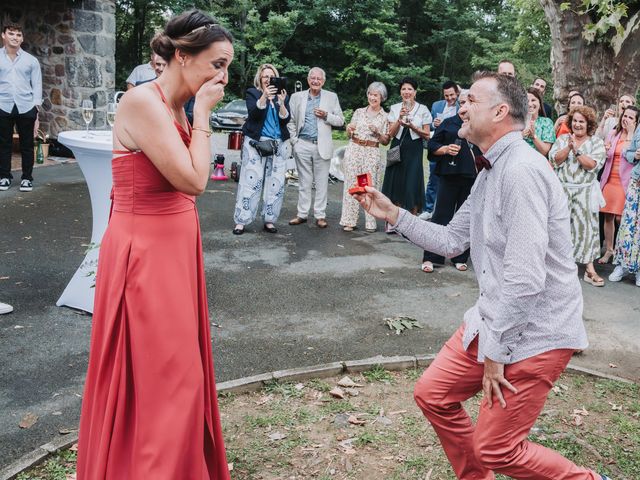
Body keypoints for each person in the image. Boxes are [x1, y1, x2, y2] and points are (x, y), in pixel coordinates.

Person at [353, 71, 605, 480]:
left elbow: (525, 281)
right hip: (493, 319)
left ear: (501, 111)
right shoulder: (490, 169)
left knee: (497, 448)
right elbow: (452, 239)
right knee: (433, 394)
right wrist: (393, 214)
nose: (461, 106)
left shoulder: (521, 171)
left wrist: (495, 355)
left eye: (471, 99)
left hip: (536, 332)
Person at [76, 11, 233, 479]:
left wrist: (196, 112)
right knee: (165, 373)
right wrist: (204, 116)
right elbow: (193, 179)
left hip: (177, 245)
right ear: (181, 57)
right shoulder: (143, 101)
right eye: (216, 64)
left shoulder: (179, 105)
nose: (222, 77)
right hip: (144, 249)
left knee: (180, 369)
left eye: (227, 67)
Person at [421, 90, 479, 273]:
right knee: (441, 216)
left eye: (467, 103)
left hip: (472, 178)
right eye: (461, 103)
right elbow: (431, 146)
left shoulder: (480, 125)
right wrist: (445, 149)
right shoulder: (448, 123)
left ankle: (459, 256)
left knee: (465, 220)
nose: (463, 107)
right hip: (448, 175)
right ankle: (432, 256)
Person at [549, 105, 607, 286]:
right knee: (560, 228)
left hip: (585, 191)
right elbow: (555, 159)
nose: (577, 124)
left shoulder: (596, 142)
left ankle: (589, 270)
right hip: (563, 190)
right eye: (575, 120)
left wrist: (577, 151)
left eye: (581, 121)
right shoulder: (562, 139)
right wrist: (568, 147)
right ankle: (558, 267)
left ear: (588, 124)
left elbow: (591, 165)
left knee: (586, 229)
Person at [232, 63, 290, 235]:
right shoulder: (253, 93)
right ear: (260, 78)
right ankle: (241, 221)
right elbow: (254, 114)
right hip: (256, 143)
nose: (268, 79)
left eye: (271, 76)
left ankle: (269, 220)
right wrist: (264, 97)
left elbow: (285, 121)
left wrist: (282, 104)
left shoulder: (283, 96)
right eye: (265, 76)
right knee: (250, 181)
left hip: (278, 143)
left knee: (276, 183)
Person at [287, 67, 344, 228]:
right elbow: (290, 120)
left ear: (323, 81)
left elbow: (340, 120)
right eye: (313, 78)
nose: (315, 81)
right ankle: (302, 214)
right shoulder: (296, 97)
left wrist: (326, 116)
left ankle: (320, 215)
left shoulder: (331, 97)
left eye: (319, 79)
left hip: (322, 145)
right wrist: (294, 141)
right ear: (308, 79)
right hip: (302, 143)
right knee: (304, 182)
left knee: (321, 183)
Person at [340, 81, 390, 232]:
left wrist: (377, 132)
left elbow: (386, 141)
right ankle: (349, 221)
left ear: (382, 97)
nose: (372, 97)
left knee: (368, 186)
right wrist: (349, 129)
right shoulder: (359, 112)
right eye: (370, 94)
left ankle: (370, 222)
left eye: (376, 95)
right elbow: (349, 133)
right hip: (354, 149)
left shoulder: (385, 116)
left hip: (371, 151)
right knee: (352, 184)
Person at [381, 77, 432, 219]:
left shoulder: (423, 109)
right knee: (396, 180)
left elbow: (427, 135)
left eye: (410, 89)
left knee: (412, 180)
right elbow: (390, 134)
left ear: (415, 92)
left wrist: (412, 127)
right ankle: (394, 218)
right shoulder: (395, 108)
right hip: (397, 146)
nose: (406, 92)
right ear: (400, 92)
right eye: (403, 89)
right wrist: (399, 118)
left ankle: (412, 218)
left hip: (414, 148)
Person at [0, 23, 42, 193]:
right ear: (4, 35)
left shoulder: (31, 61)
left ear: (22, 38)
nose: (15, 37)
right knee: (4, 145)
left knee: (27, 145)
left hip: (26, 107)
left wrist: (36, 113)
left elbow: (37, 86)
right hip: (2, 106)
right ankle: (4, 176)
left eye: (18, 34)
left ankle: (26, 178)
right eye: (11, 33)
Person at [598, 106, 638, 264]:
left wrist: (630, 134)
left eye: (630, 117)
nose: (626, 119)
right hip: (609, 179)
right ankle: (609, 250)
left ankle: (623, 251)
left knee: (622, 218)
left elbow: (630, 156)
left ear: (635, 121)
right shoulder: (613, 133)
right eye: (625, 115)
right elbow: (605, 154)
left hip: (625, 181)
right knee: (608, 216)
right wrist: (605, 149)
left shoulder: (635, 136)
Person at [422, 80, 459, 220]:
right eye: (446, 96)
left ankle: (449, 211)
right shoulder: (436, 106)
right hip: (438, 146)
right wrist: (434, 123)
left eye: (452, 95)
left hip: (455, 145)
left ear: (456, 93)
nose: (449, 98)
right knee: (433, 178)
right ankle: (429, 208)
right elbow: (430, 127)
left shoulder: (462, 105)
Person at [610, 116, 640, 286]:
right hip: (636, 183)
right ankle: (621, 265)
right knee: (627, 227)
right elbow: (626, 153)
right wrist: (634, 154)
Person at [522, 87, 555, 157]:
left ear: (540, 104)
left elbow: (545, 151)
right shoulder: (517, 121)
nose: (530, 104)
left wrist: (533, 136)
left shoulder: (546, 122)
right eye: (526, 101)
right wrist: (521, 135)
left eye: (533, 100)